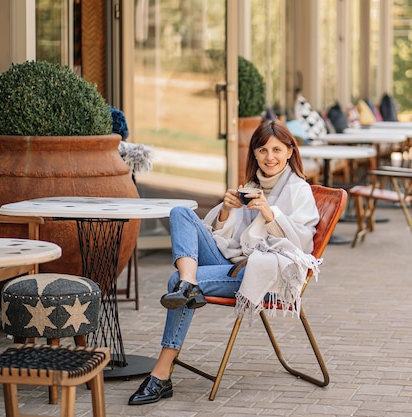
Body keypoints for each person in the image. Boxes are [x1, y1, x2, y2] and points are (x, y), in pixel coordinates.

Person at [128, 119, 320, 406]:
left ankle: (161, 374)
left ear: (290, 152)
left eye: (277, 150)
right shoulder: (252, 186)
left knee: (173, 283)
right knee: (181, 210)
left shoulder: (298, 190)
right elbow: (223, 236)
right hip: (233, 260)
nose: (270, 157)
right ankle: (188, 282)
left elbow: (302, 247)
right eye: (263, 150)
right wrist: (225, 211)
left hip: (262, 273)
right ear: (254, 154)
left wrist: (271, 214)